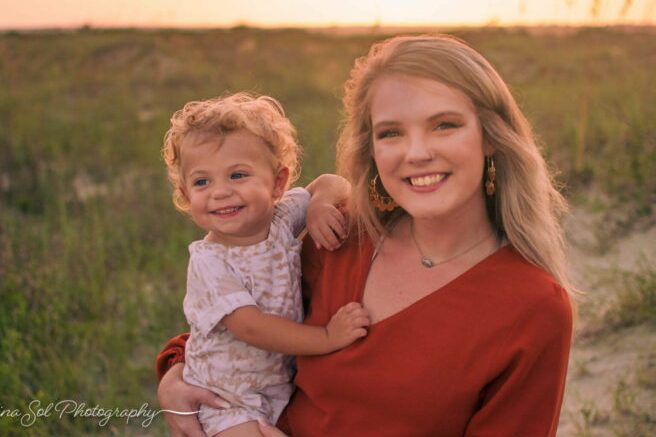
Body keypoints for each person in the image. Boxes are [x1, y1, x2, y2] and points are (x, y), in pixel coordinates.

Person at [156, 35, 574, 437]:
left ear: (490, 137)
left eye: (444, 125)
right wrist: (174, 374)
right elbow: (242, 331)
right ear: (370, 149)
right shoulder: (340, 237)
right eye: (391, 132)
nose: (416, 153)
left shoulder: (532, 306)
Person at [161, 92, 371, 437]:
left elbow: (334, 183)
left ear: (277, 183)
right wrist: (327, 338)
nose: (219, 192)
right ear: (186, 195)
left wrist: (319, 205)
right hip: (224, 398)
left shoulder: (281, 218)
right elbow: (252, 327)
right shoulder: (210, 262)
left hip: (275, 386)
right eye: (202, 182)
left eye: (237, 175)